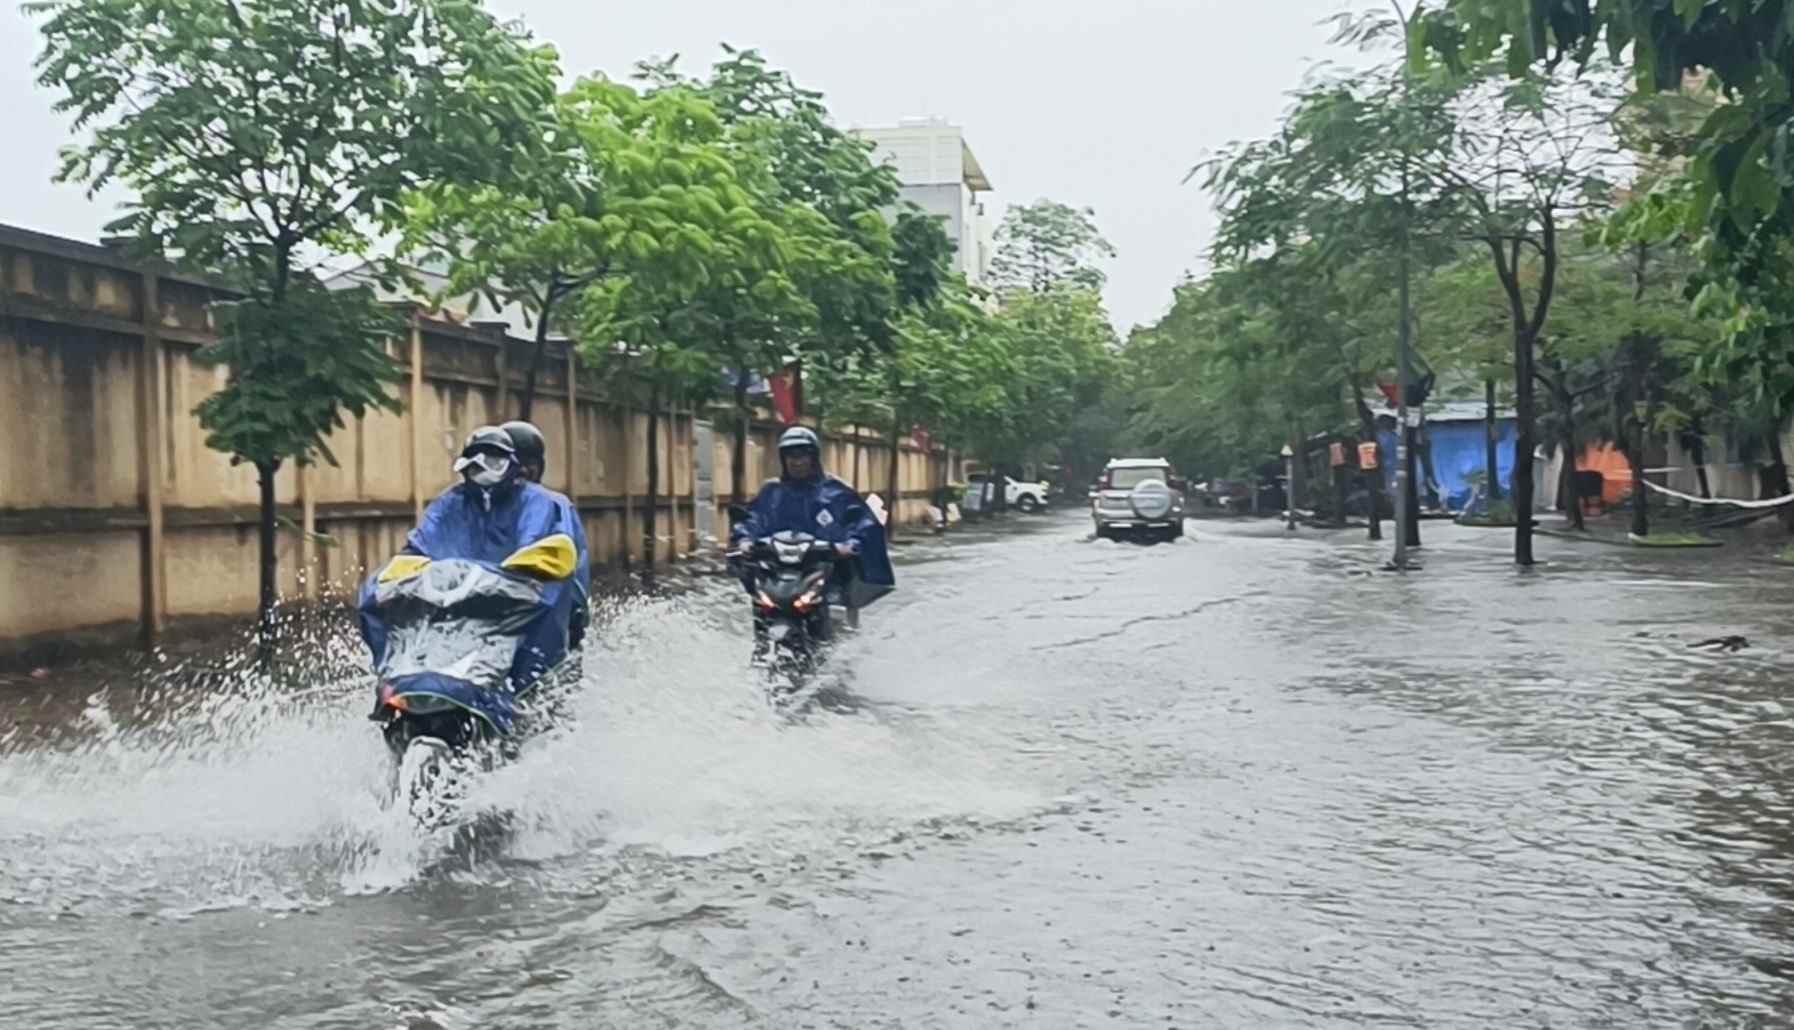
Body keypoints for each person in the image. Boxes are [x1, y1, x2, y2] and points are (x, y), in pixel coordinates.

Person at [360, 425, 591, 699]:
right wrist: (402, 574)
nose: (525, 472)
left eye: (529, 463)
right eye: (478, 463)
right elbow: (421, 546)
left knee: (545, 686)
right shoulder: (452, 503)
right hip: (460, 612)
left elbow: (558, 568)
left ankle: (525, 703)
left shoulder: (544, 504)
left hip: (526, 613)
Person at [730, 426, 895, 614]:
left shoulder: (836, 492)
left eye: (801, 455)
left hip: (825, 569)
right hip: (779, 571)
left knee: (836, 601)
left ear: (813, 457)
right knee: (760, 601)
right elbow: (752, 519)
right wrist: (744, 540)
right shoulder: (771, 492)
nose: (796, 462)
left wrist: (850, 545)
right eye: (791, 456)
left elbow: (863, 523)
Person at [501, 420, 591, 650]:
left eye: (529, 462)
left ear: (540, 467)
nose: (522, 469)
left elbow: (572, 581)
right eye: (515, 462)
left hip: (548, 613)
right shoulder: (479, 508)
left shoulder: (556, 507)